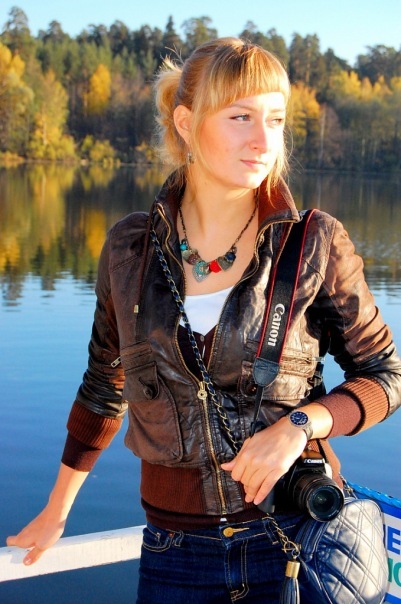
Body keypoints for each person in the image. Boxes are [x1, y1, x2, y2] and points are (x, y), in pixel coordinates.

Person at [7, 37, 401, 603]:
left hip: (296, 544)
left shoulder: (312, 242)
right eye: (241, 117)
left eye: (275, 120)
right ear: (186, 123)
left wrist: (301, 425)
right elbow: (103, 386)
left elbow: (386, 376)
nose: (263, 140)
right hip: (175, 558)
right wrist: (56, 510)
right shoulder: (130, 249)